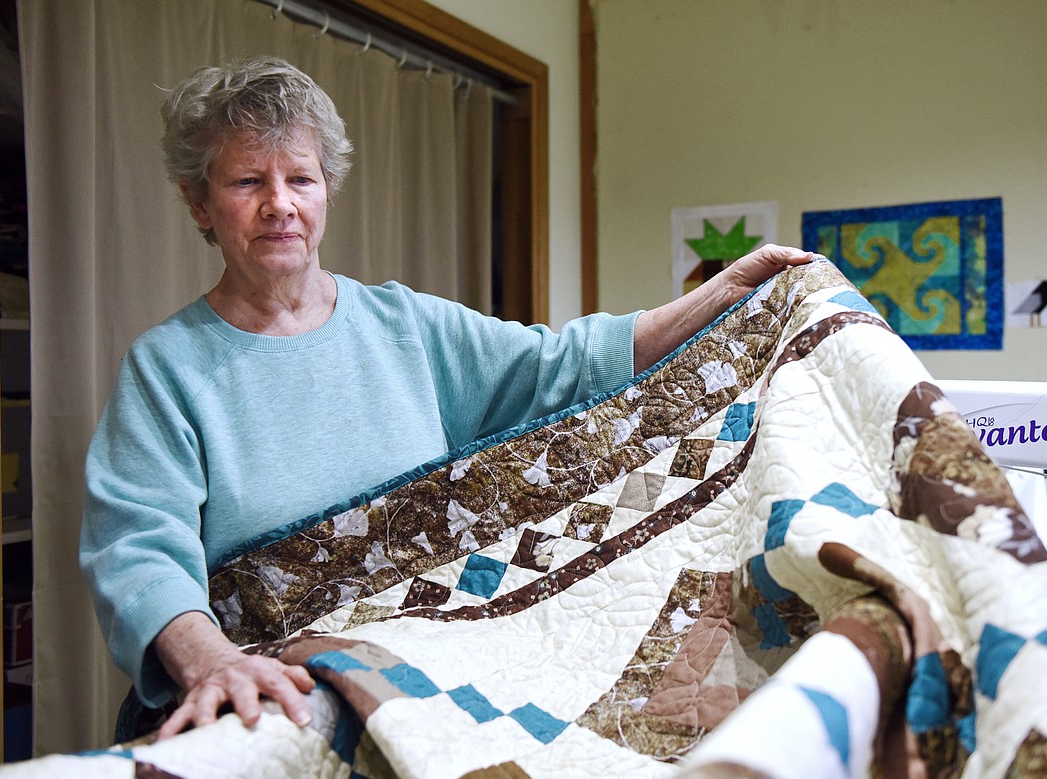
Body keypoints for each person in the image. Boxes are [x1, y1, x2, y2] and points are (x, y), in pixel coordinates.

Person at [79, 55, 814, 742]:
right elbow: (139, 552)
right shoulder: (165, 368)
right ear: (199, 203)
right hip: (264, 688)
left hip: (414, 678)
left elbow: (562, 366)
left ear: (326, 189)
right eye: (247, 183)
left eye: (300, 179)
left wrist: (722, 294)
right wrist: (213, 661)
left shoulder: (407, 327)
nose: (280, 205)